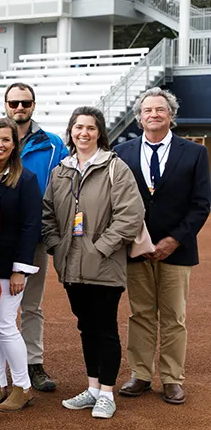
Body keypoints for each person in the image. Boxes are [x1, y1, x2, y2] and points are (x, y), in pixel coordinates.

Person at [42, 106, 145, 419]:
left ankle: (107, 393)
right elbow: (48, 213)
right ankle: (92, 387)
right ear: (71, 132)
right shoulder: (62, 170)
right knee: (86, 327)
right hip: (71, 265)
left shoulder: (115, 167)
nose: (83, 133)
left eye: (90, 127)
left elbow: (131, 214)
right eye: (78, 127)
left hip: (104, 264)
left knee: (105, 328)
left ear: (100, 132)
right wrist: (56, 246)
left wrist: (101, 247)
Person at [116, 89, 211, 405]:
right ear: (139, 116)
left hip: (177, 248)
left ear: (170, 114)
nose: (153, 114)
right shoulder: (122, 153)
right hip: (135, 248)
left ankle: (172, 379)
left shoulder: (195, 153)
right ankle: (140, 375)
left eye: (160, 109)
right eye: (147, 110)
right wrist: (134, 239)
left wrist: (174, 240)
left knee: (173, 316)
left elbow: (201, 204)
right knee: (140, 314)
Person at [3, 82, 67, 392]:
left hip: (36, 237)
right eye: (13, 102)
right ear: (5, 105)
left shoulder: (53, 144)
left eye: (25, 102)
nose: (19, 108)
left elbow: (65, 190)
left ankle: (33, 363)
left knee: (31, 304)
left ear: (33, 105)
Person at [0, 118, 42, 412]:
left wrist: (20, 269)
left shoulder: (26, 179)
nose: (0, 144)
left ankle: (23, 385)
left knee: (4, 324)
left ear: (14, 145)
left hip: (10, 267)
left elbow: (31, 227)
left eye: (6, 139)